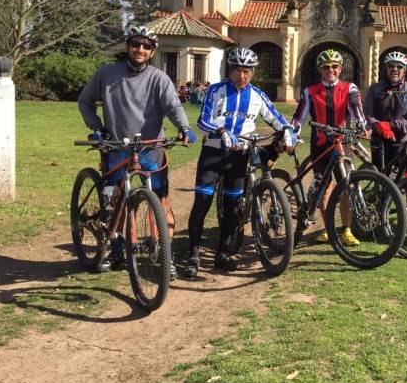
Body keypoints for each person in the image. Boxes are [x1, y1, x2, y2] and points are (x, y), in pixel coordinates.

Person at [78, 26, 196, 277]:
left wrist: (184, 128)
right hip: (117, 148)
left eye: (146, 46)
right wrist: (97, 127)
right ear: (127, 46)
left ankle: (166, 254)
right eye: (135, 44)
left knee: (161, 203)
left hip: (151, 149)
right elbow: (85, 101)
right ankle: (117, 249)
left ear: (152, 51)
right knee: (116, 201)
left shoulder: (159, 78)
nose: (140, 49)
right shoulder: (106, 74)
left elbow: (173, 107)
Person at [183, 47, 297, 278]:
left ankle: (222, 253)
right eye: (237, 70)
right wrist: (221, 130)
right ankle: (193, 254)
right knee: (202, 203)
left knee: (233, 207)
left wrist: (287, 130)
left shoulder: (256, 94)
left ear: (252, 72)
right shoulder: (215, 90)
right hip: (214, 154)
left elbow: (275, 116)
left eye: (247, 71)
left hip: (241, 156)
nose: (242, 76)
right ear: (230, 69)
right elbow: (203, 120)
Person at [291, 49, 368, 246]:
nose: (330, 70)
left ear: (340, 69)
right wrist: (292, 133)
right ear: (320, 69)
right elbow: (299, 116)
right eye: (326, 67)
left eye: (334, 66)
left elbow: (356, 108)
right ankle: (327, 228)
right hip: (320, 145)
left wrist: (362, 125)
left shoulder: (349, 88)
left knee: (348, 187)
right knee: (323, 189)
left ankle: (347, 230)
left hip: (342, 143)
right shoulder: (310, 91)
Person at [364, 51, 407, 239]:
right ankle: (382, 222)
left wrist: (390, 125)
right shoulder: (375, 89)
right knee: (382, 184)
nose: (394, 70)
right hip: (380, 143)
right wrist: (378, 126)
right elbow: (367, 115)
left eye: (399, 67)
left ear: (404, 70)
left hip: (404, 144)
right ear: (386, 69)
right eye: (391, 66)